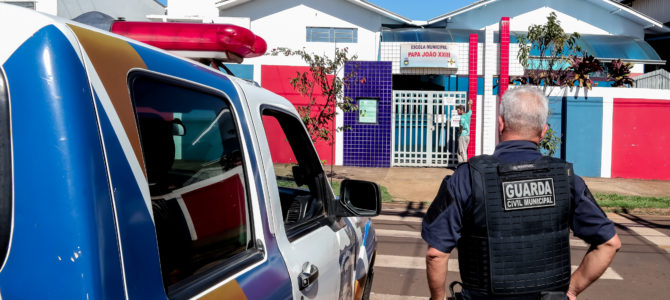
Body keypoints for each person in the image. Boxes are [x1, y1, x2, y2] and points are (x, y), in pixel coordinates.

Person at [422, 86, 621, 300]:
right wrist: (571, 290)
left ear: (501, 124)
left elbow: (436, 254)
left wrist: (438, 298)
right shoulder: (566, 178)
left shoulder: (467, 177)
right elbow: (609, 243)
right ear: (544, 131)